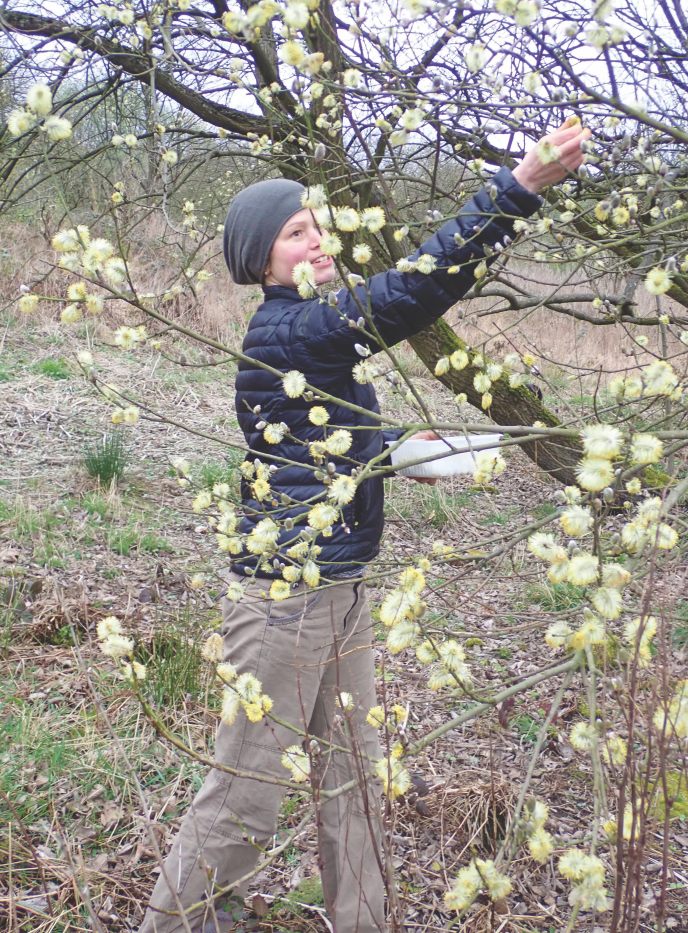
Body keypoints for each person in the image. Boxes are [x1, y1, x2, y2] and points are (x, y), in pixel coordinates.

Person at [139, 119, 590, 932]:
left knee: (353, 779)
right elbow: (412, 290)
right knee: (246, 792)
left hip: (337, 585)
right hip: (285, 599)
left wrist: (397, 448)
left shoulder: (313, 344)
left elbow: (320, 443)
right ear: (260, 260)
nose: (316, 241)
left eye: (315, 225)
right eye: (293, 233)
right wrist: (514, 189)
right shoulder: (292, 328)